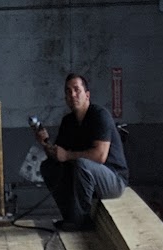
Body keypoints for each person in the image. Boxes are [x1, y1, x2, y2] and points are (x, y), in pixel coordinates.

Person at [38, 73, 128, 229]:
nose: (72, 95)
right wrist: (44, 143)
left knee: (81, 164)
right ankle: (70, 217)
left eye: (76, 90)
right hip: (85, 179)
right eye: (68, 91)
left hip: (113, 179)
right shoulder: (68, 121)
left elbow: (100, 156)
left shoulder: (99, 115)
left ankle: (82, 221)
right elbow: (59, 156)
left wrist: (68, 155)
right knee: (48, 167)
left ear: (87, 95)